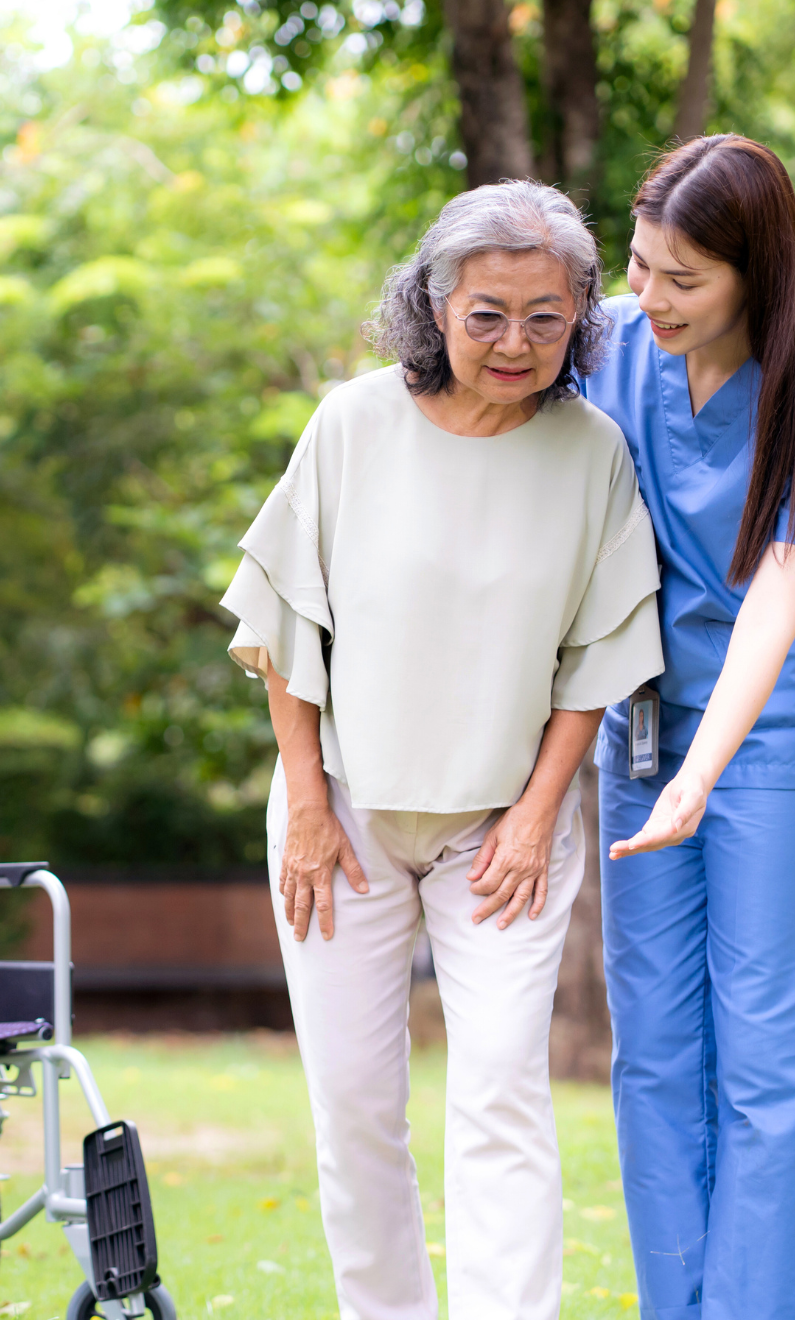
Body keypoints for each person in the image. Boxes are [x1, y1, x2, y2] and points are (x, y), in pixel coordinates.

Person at [220, 180, 663, 1320]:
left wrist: (533, 816)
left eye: (546, 318)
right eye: (487, 315)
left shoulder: (594, 453)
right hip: (344, 818)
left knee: (502, 1095)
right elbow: (284, 628)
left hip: (503, 833)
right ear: (433, 304)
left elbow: (595, 661)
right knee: (356, 1107)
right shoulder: (352, 423)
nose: (515, 343)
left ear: (581, 321)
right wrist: (309, 805)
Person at [577, 134, 795, 1320]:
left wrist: (702, 778)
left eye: (683, 279)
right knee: (652, 1058)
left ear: (758, 272)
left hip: (779, 742)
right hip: (644, 727)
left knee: (768, 1070)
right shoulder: (606, 340)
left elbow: (773, 612)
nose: (651, 297)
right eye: (642, 265)